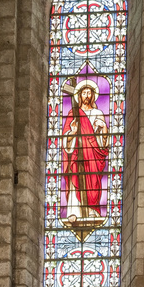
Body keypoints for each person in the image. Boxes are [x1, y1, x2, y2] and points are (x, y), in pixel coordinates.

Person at [62, 80, 109, 223]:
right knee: (75, 176)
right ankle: (74, 211)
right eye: (84, 93)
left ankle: (92, 210)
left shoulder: (98, 113)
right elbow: (66, 137)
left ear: (93, 95)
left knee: (93, 181)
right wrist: (73, 132)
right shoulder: (73, 113)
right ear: (79, 96)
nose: (87, 96)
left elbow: (104, 142)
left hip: (93, 154)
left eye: (89, 93)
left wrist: (103, 128)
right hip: (77, 153)